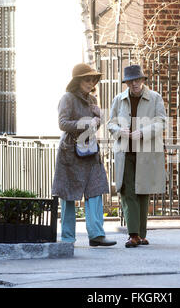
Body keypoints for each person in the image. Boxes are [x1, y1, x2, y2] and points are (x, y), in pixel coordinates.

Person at [52, 63, 116, 247]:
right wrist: (89, 122)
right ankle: (67, 238)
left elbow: (95, 125)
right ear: (78, 81)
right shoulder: (67, 98)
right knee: (68, 195)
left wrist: (98, 119)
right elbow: (63, 123)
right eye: (87, 79)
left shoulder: (93, 101)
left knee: (95, 190)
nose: (91, 82)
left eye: (93, 79)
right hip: (70, 153)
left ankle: (96, 235)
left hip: (90, 152)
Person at [107, 65, 167, 248]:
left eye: (137, 80)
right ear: (126, 83)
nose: (134, 84)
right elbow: (111, 124)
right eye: (130, 81)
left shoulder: (155, 98)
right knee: (127, 192)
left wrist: (142, 132)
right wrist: (119, 130)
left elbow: (162, 121)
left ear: (142, 80)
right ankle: (133, 234)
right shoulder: (119, 99)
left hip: (146, 152)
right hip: (125, 153)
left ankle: (141, 235)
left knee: (143, 192)